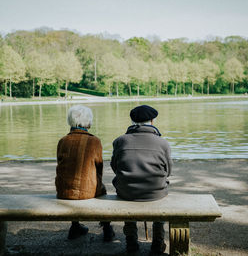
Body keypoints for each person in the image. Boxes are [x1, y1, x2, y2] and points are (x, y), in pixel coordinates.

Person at [111, 105, 173, 254]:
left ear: (132, 121)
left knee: (126, 190)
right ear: (152, 121)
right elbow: (168, 171)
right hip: (155, 192)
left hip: (127, 192)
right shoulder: (163, 143)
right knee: (161, 193)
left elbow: (115, 167)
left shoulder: (119, 141)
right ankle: (158, 243)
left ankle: (131, 242)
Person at [55, 105, 114, 241]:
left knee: (71, 182)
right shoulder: (94, 141)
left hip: (64, 191)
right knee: (100, 189)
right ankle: (106, 228)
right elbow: (99, 169)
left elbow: (60, 165)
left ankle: (75, 227)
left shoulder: (63, 141)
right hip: (87, 193)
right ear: (88, 121)